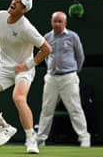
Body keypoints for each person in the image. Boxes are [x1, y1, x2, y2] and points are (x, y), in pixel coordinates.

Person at [0, 0, 52, 154]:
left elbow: (46, 49)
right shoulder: (1, 16)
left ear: (24, 10)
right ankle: (4, 127)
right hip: (4, 67)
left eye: (19, 2)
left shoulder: (26, 27)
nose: (14, 2)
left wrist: (28, 64)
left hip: (24, 69)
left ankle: (31, 139)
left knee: (18, 97)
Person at [36, 11, 91, 147]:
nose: (57, 24)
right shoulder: (47, 37)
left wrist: (73, 72)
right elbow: (44, 56)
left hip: (69, 78)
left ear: (65, 23)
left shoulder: (73, 37)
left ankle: (84, 138)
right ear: (51, 22)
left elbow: (80, 57)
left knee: (75, 109)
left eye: (60, 21)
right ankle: (40, 139)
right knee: (46, 109)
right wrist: (51, 68)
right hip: (51, 78)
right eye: (55, 21)